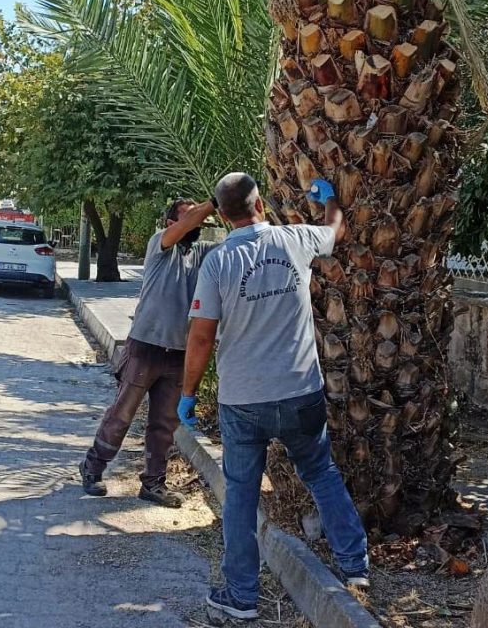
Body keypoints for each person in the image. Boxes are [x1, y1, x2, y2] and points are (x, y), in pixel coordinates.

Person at [178, 173, 368, 621]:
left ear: (224, 218)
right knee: (321, 473)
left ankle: (241, 598)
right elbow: (334, 231)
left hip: (243, 403)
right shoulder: (294, 239)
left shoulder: (217, 263)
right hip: (301, 392)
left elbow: (201, 338)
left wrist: (188, 394)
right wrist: (330, 200)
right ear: (260, 205)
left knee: (241, 496)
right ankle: (355, 569)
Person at [80, 196, 219, 507]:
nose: (196, 222)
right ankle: (93, 468)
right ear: (172, 223)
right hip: (145, 347)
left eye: (199, 218)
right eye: (189, 216)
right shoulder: (160, 244)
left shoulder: (201, 254)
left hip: (177, 353)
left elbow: (235, 243)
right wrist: (213, 202)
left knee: (164, 424)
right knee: (122, 414)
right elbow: (187, 224)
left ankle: (153, 484)